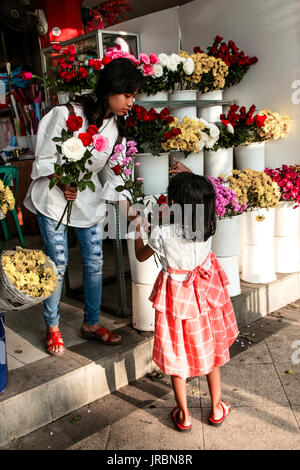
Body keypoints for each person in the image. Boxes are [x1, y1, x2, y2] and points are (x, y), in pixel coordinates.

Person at [24, 58, 145, 356]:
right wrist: (62, 182)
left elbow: (111, 173)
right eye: (127, 95)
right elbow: (44, 159)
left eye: (133, 96)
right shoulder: (66, 115)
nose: (131, 102)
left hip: (87, 200)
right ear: (110, 90)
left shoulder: (114, 128)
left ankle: (91, 324)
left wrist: (132, 214)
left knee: (94, 262)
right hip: (56, 199)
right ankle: (52, 325)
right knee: (59, 262)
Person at [134, 172, 239, 430]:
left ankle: (184, 415)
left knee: (176, 353)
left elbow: (140, 255)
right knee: (211, 352)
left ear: (175, 205)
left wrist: (138, 228)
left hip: (176, 299)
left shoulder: (162, 232)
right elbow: (202, 196)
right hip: (204, 296)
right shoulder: (208, 224)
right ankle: (216, 408)